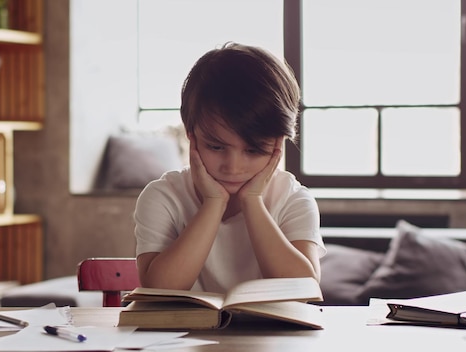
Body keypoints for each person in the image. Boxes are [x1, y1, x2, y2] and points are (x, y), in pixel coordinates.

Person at [134, 42, 325, 293]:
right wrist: (213, 203)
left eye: (254, 150)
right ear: (191, 134)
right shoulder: (163, 196)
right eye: (216, 147)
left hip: (270, 333)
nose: (233, 167)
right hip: (182, 333)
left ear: (279, 142)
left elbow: (303, 290)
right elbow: (161, 289)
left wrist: (253, 201)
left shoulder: (293, 199)